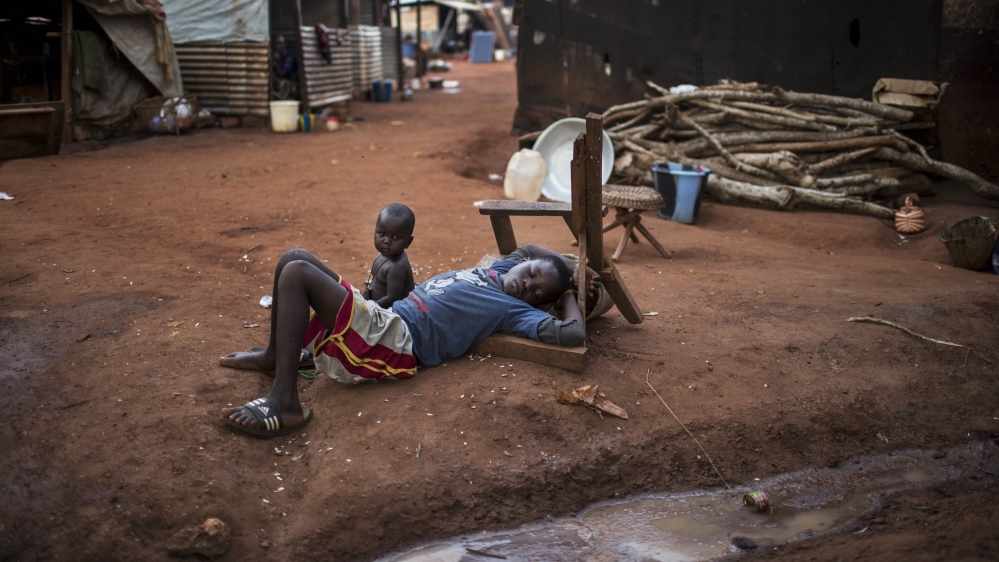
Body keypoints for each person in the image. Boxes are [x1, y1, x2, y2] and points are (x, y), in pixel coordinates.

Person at [218, 243, 599, 436]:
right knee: (294, 257)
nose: (527, 284)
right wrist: (572, 267)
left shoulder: (512, 309)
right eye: (531, 273)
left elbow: (573, 333)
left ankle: (286, 402)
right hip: (383, 319)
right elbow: (532, 248)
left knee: (297, 271)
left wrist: (566, 296)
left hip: (395, 342)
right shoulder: (499, 270)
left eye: (536, 291)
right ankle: (275, 357)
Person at [363, 204, 416, 308]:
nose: (387, 241)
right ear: (375, 232)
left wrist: (369, 309)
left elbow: (393, 298)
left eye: (396, 237)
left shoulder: (397, 266)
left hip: (391, 313)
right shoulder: (383, 254)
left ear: (408, 242)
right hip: (376, 306)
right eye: (382, 234)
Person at [271, 34, 299, 100]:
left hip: (293, 84)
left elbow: (282, 74)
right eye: (276, 44)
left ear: (284, 45)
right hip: (282, 83)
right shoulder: (276, 55)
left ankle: (283, 97)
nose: (278, 46)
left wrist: (277, 62)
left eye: (280, 44)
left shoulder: (289, 57)